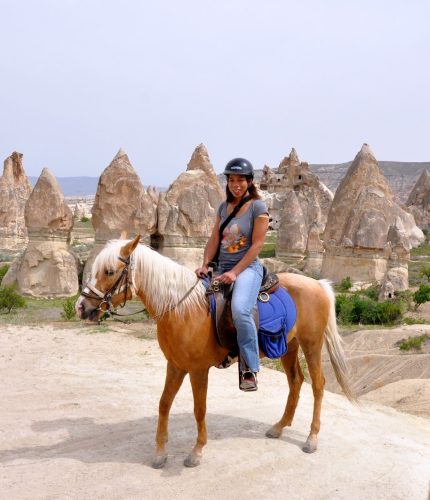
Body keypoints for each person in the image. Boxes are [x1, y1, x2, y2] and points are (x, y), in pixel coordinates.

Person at [195, 158, 269, 391]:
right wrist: (205, 264)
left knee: (239, 310)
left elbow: (257, 245)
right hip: (221, 267)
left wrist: (235, 273)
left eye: (240, 180)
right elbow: (214, 239)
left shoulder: (258, 207)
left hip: (247, 268)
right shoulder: (223, 207)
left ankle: (249, 368)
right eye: (232, 180)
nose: (236, 184)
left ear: (249, 182)